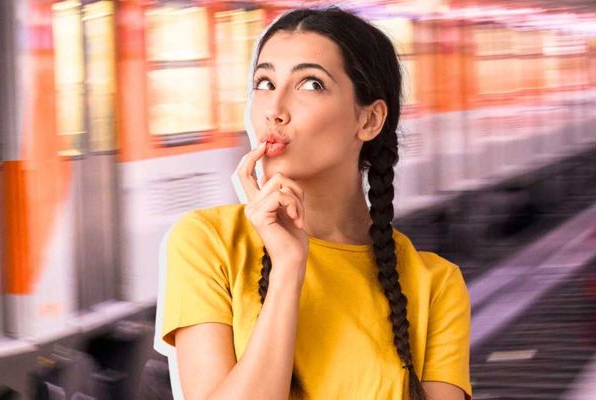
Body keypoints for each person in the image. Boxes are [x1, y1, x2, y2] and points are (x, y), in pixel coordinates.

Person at [158, 7, 471, 400]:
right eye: (265, 82)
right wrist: (288, 267)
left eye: (310, 85)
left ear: (370, 120)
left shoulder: (436, 285)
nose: (274, 109)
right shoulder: (208, 243)